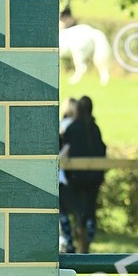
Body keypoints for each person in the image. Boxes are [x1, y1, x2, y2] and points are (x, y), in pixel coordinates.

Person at [62, 96, 107, 253]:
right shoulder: (95, 129)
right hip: (93, 179)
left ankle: (73, 241)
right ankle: (85, 243)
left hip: (75, 179)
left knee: (76, 212)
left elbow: (65, 151)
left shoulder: (72, 129)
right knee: (88, 211)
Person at [58, 97, 78, 254]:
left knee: (61, 212)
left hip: (60, 175)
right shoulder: (74, 126)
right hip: (67, 176)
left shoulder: (61, 125)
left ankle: (66, 241)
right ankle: (68, 241)